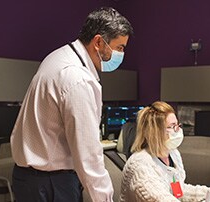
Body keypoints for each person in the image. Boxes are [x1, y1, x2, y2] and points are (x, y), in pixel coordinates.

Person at [10, 7, 133, 202]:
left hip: (29, 179)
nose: (121, 54)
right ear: (99, 42)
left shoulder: (58, 57)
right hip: (51, 184)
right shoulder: (78, 79)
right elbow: (88, 154)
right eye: (120, 47)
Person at [120, 101, 210, 202]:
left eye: (177, 125)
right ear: (155, 133)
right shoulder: (140, 165)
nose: (178, 130)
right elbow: (161, 199)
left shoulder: (172, 154)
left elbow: (178, 190)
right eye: (172, 126)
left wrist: (208, 192)